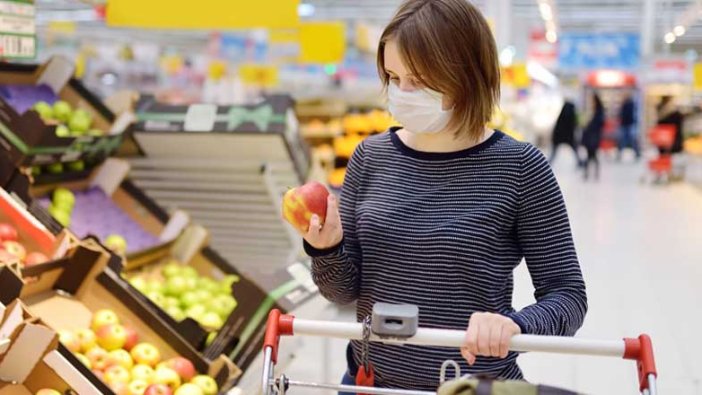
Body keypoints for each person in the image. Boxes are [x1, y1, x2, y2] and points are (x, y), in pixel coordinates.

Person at [284, 0, 587, 392]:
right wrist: (327, 250)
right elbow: (345, 293)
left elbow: (568, 296)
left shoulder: (519, 167)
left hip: (471, 385)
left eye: (421, 80)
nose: (402, 92)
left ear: (467, 75)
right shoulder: (370, 157)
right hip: (369, 383)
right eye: (393, 77)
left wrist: (515, 325)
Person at [581, 93, 605, 180]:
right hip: (591, 137)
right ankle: (590, 173)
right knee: (591, 155)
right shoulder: (596, 111)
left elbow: (598, 125)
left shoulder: (599, 112)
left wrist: (589, 126)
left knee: (592, 155)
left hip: (593, 137)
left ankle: (589, 173)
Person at [550, 99, 580, 166]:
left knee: (553, 152)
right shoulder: (571, 114)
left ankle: (547, 163)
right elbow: (574, 125)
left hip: (560, 136)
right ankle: (580, 162)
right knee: (575, 150)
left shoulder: (563, 115)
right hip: (566, 136)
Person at [617, 91, 640, 160]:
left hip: (629, 124)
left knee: (631, 139)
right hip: (626, 124)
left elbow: (625, 115)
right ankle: (620, 153)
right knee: (623, 140)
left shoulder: (630, 104)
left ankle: (637, 152)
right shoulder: (626, 104)